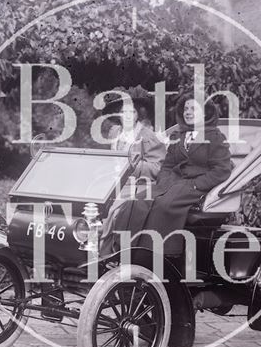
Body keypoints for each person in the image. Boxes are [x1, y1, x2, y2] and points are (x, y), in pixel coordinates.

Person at [109, 95, 232, 256]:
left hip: (195, 186)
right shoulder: (179, 136)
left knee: (164, 205)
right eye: (186, 108)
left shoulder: (215, 138)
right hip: (171, 183)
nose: (188, 112)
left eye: (193, 108)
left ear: (205, 113)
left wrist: (196, 184)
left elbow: (222, 170)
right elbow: (167, 165)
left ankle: (156, 254)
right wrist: (164, 181)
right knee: (136, 201)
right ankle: (125, 249)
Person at [99, 97, 166, 255]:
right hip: (114, 183)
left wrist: (132, 167)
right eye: (123, 111)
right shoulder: (115, 132)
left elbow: (157, 167)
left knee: (114, 213)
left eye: (132, 111)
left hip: (138, 185)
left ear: (138, 114)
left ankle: (107, 254)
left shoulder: (147, 136)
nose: (127, 115)